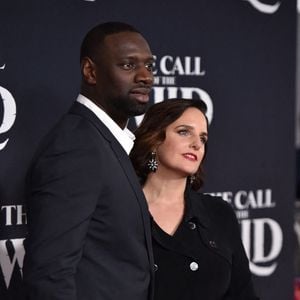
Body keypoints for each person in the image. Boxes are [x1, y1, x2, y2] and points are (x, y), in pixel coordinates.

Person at [23, 22, 155, 300]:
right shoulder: (75, 147)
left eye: (149, 66)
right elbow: (49, 276)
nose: (146, 77)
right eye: (129, 66)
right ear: (90, 71)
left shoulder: (115, 140)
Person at [130, 98, 260, 300]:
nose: (196, 144)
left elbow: (243, 295)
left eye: (203, 138)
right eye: (184, 132)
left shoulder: (218, 213)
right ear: (154, 139)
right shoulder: (121, 209)